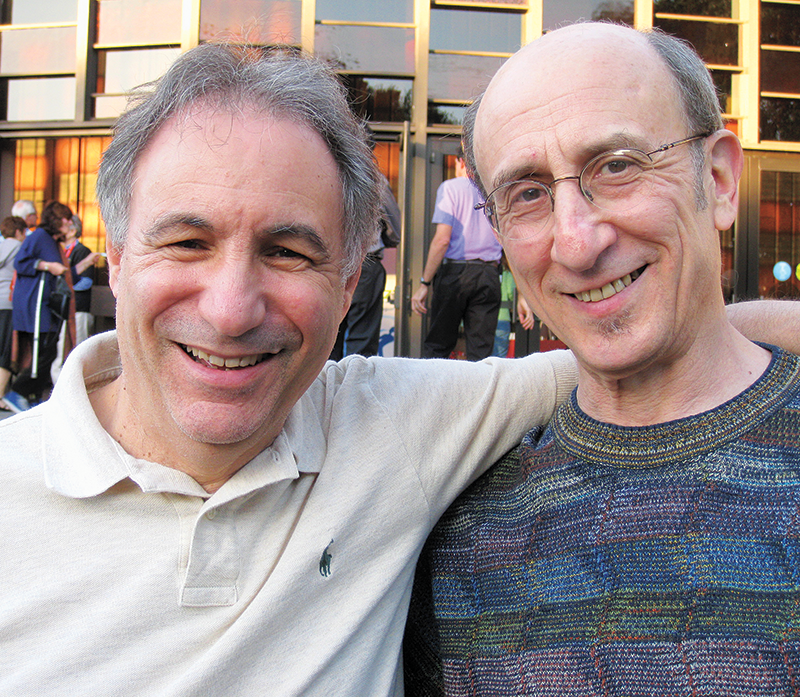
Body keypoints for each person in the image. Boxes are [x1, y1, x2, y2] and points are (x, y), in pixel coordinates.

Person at [0, 42, 582, 697]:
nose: (229, 311)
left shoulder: (389, 424)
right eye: (188, 243)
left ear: (347, 286)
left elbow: (651, 352)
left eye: (286, 252)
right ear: (119, 256)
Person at [404, 23, 800, 696]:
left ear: (721, 180)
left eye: (617, 165)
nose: (576, 242)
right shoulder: (453, 531)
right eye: (527, 193)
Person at [411, 149, 503, 360]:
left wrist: (425, 282)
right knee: (481, 352)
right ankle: (480, 393)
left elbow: (442, 240)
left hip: (456, 272)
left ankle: (433, 393)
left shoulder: (450, 188)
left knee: (438, 346)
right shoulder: (493, 191)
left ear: (460, 162)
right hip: (489, 273)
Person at [5, 201, 95, 411]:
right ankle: (18, 392)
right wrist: (46, 265)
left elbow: (66, 274)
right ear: (56, 221)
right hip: (35, 304)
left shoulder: (54, 244)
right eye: (65, 219)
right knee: (43, 353)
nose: (68, 223)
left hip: (48, 305)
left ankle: (29, 396)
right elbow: (21, 263)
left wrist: (87, 263)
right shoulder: (39, 237)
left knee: (49, 352)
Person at [330, 172, 400, 359]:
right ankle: (354, 387)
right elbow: (395, 224)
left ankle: (325, 387)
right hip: (366, 261)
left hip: (328, 262)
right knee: (363, 340)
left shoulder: (324, 168)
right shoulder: (375, 179)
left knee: (327, 338)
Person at [51, 214, 97, 383]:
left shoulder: (82, 251)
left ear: (73, 231)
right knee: (60, 350)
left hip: (78, 308)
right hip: (63, 311)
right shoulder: (59, 251)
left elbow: (86, 282)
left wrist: (63, 288)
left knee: (77, 352)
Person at [0, 216, 26, 411]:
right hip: (8, 304)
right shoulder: (20, 249)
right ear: (18, 232)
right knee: (7, 352)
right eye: (24, 232)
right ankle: (0, 396)